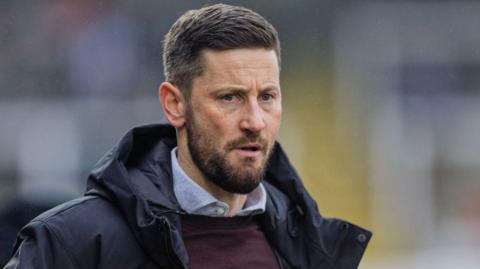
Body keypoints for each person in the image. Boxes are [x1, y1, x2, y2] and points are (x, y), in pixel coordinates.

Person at [4, 4, 371, 269]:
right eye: (230, 97)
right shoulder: (70, 245)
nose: (255, 121)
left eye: (267, 97)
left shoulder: (312, 244)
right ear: (174, 104)